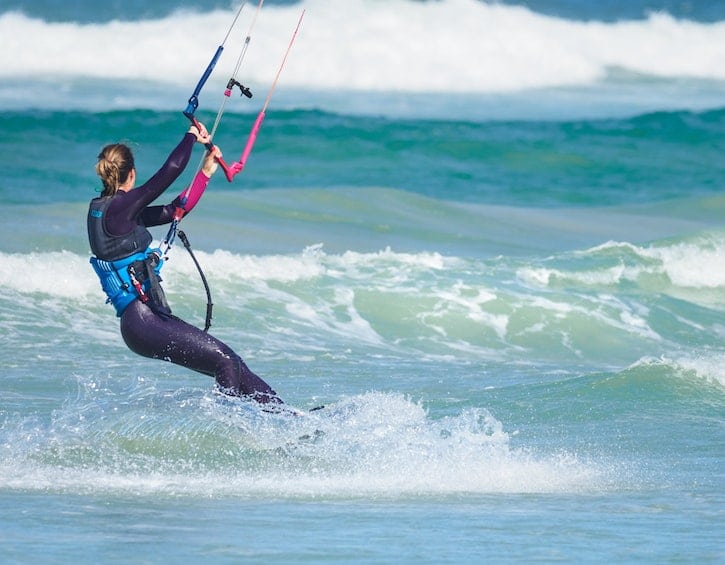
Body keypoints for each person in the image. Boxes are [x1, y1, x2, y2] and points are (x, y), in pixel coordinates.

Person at [87, 122, 284, 406]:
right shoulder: (119, 208)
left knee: (233, 363)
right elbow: (171, 171)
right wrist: (191, 135)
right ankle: (231, 427)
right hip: (142, 320)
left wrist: (204, 173)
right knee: (225, 362)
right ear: (131, 173)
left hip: (143, 321)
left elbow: (175, 210)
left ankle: (285, 418)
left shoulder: (113, 213)